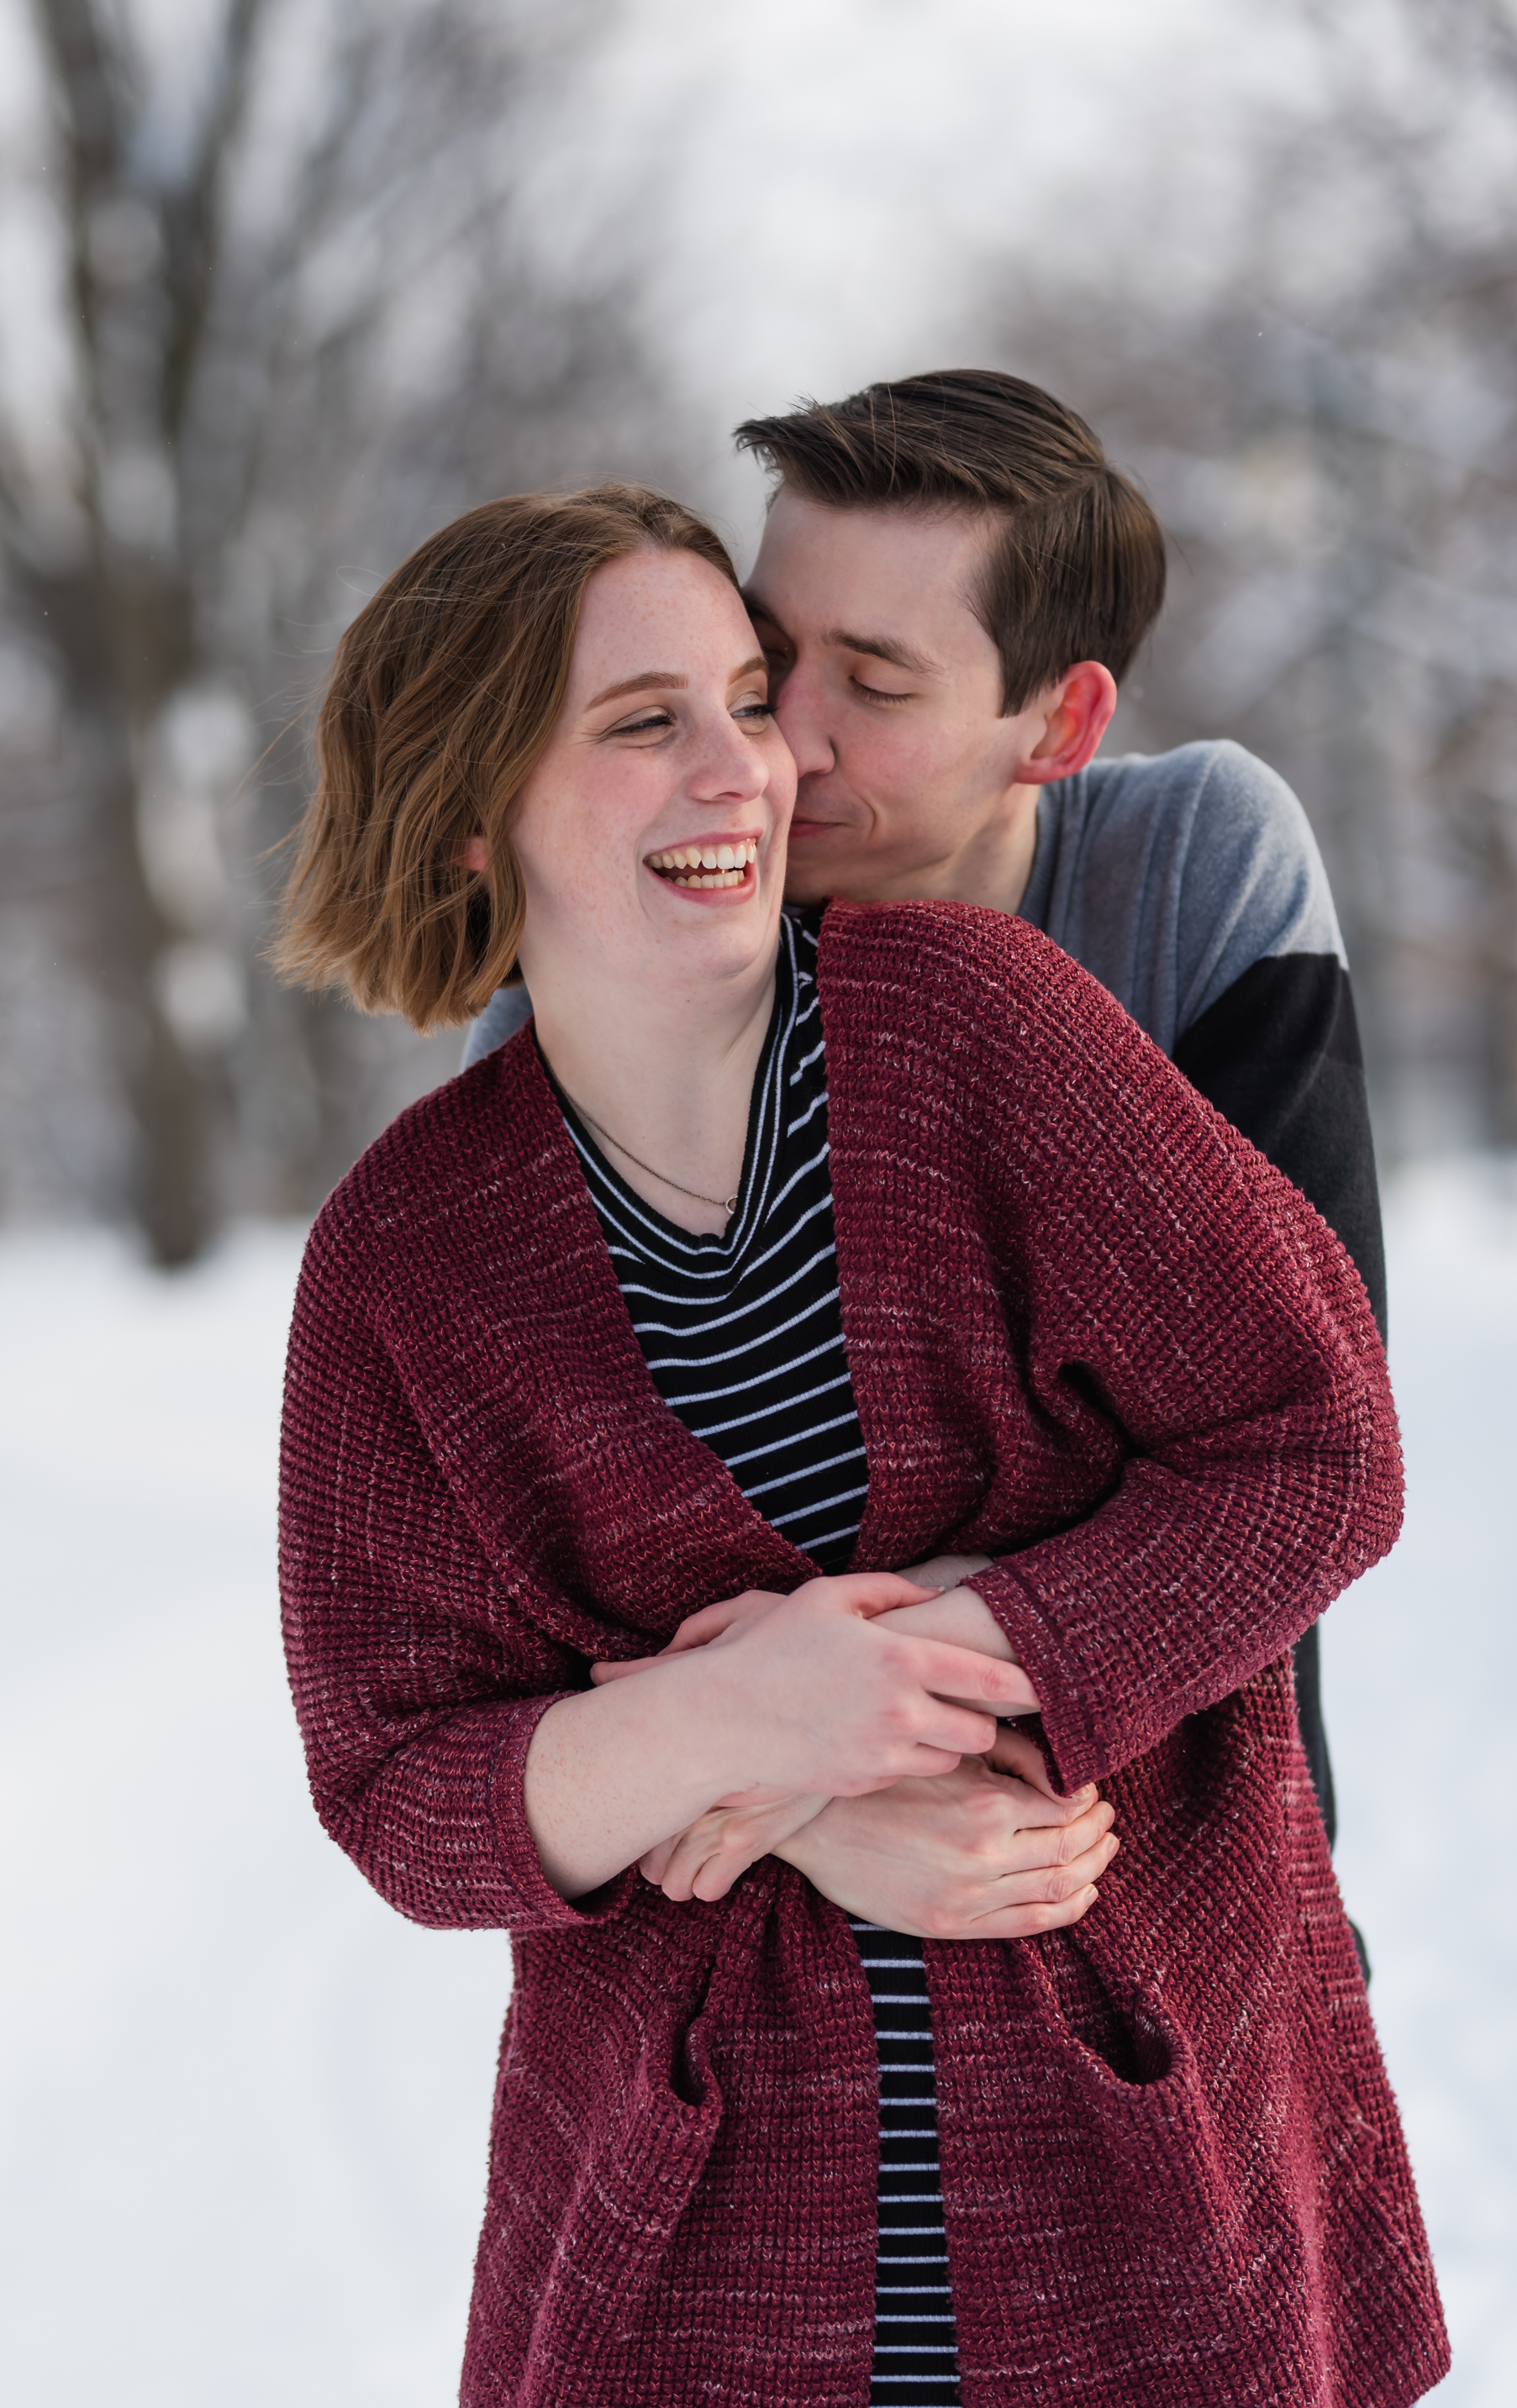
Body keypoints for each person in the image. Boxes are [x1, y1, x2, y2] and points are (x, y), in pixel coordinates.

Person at [276, 481, 1444, 2407]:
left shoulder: (985, 1024)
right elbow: (402, 1782)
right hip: (698, 2254)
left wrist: (891, 1684)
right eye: (645, 721)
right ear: (469, 808)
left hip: (1144, 2181)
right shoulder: (403, 1258)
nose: (747, 768)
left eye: (747, 696)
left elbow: (1313, 1444)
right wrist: (759, 1739)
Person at [463, 371, 1382, 1888]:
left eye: (876, 688)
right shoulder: (605, 980)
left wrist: (825, 1701)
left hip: (1187, 1872)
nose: (778, 751)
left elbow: (1298, 1437)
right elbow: (584, 1613)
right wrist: (811, 1793)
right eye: (767, 665)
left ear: (1059, 721)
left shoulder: (1191, 872)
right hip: (759, 1946)